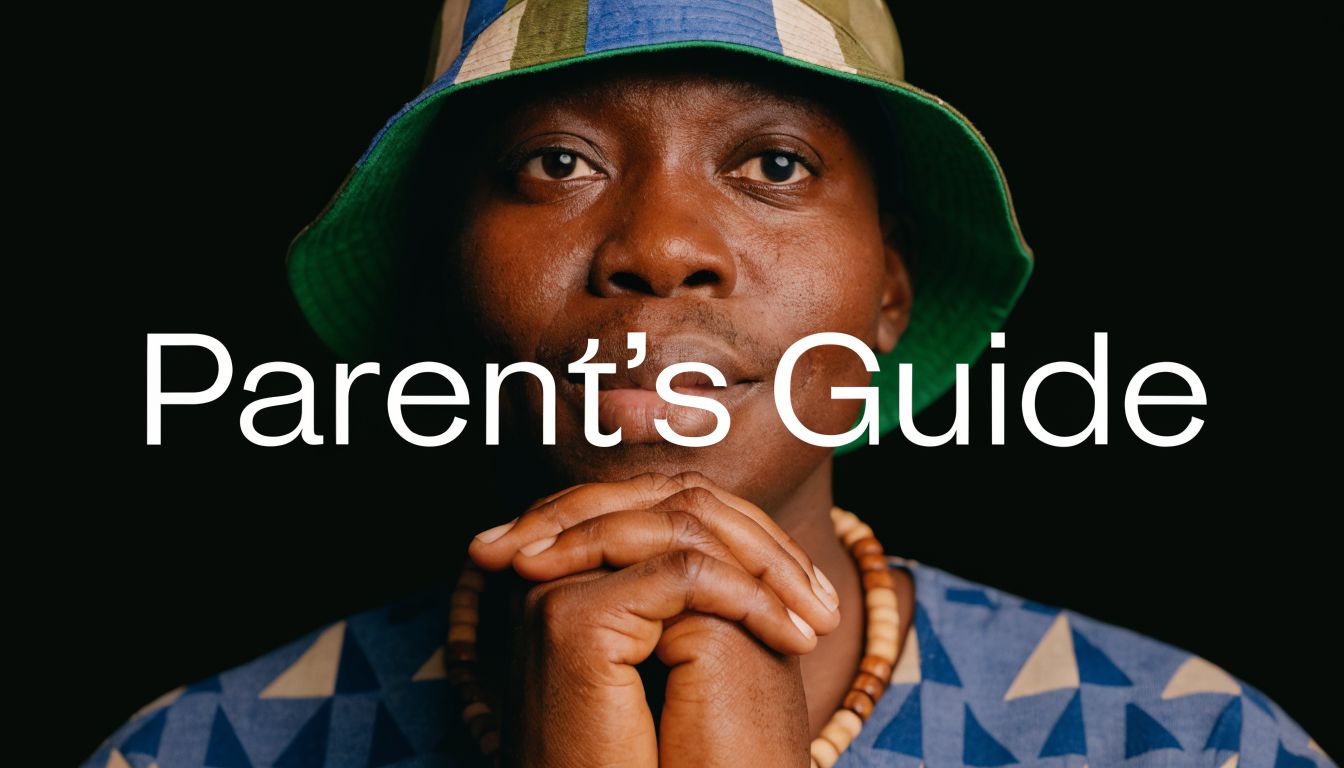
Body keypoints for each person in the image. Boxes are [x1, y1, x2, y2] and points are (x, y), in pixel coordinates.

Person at [90, 1, 1329, 767]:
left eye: (777, 163)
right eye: (555, 163)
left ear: (888, 296)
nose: (660, 244)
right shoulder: (203, 753)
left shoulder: (1184, 744)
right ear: (441, 292)